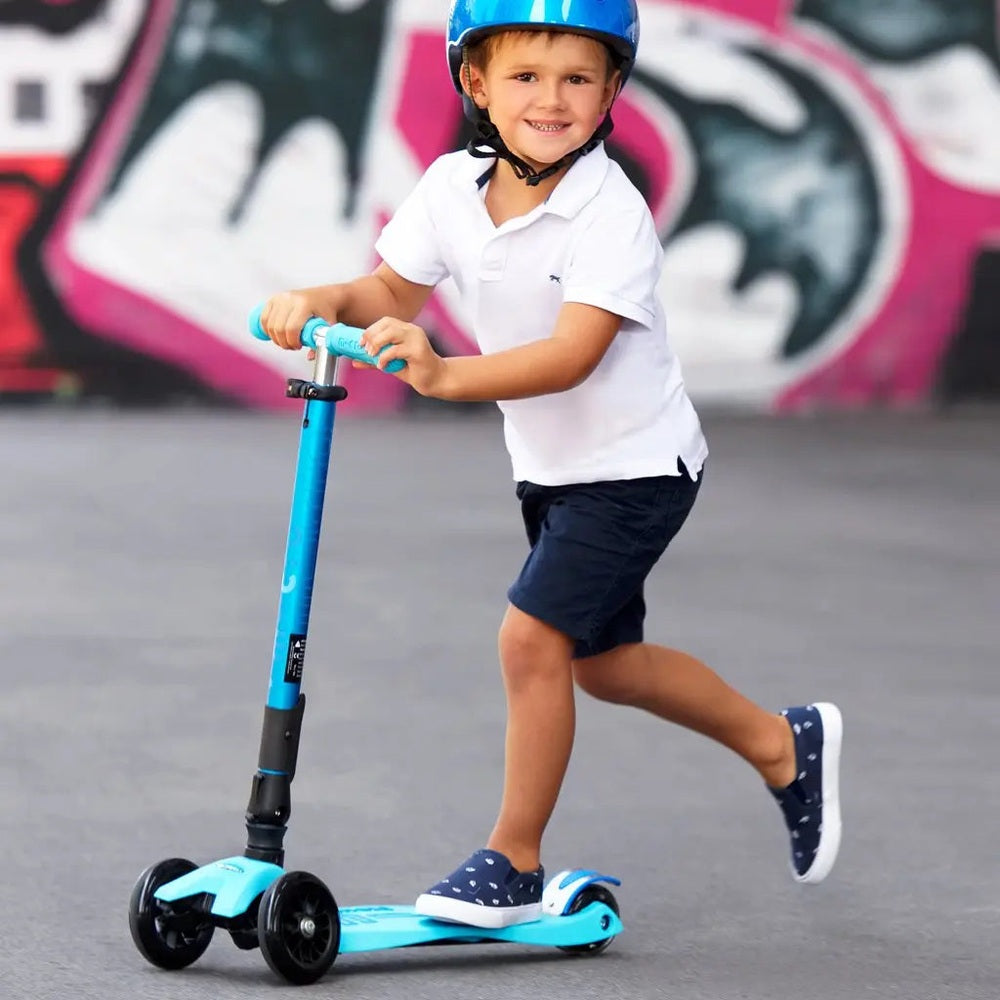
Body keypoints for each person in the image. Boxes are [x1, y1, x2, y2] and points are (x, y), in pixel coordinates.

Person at [259, 0, 844, 930]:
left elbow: (574, 354)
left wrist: (447, 374)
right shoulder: (452, 187)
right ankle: (782, 744)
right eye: (526, 76)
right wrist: (317, 298)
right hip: (554, 470)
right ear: (476, 84)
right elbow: (387, 289)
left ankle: (514, 858)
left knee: (530, 641)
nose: (552, 98)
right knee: (604, 668)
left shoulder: (609, 211)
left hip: (637, 468)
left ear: (613, 90)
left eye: (579, 78)